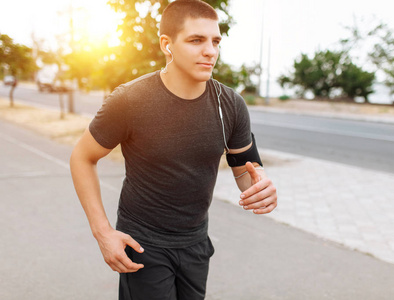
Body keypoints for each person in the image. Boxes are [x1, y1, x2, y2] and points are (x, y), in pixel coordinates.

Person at [70, 0, 277, 299]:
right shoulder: (131, 100)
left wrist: (263, 188)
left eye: (215, 41)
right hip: (143, 244)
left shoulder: (230, 105)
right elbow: (82, 157)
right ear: (167, 44)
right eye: (196, 40)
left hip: (195, 244)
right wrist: (103, 232)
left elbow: (247, 171)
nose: (210, 51)